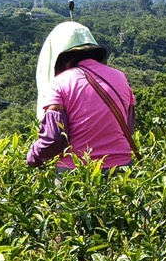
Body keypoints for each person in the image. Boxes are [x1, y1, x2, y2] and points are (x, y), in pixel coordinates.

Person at [26, 20, 136, 170]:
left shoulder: (59, 83)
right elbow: (128, 128)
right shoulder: (120, 77)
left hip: (76, 171)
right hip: (121, 168)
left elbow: (52, 139)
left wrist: (32, 158)